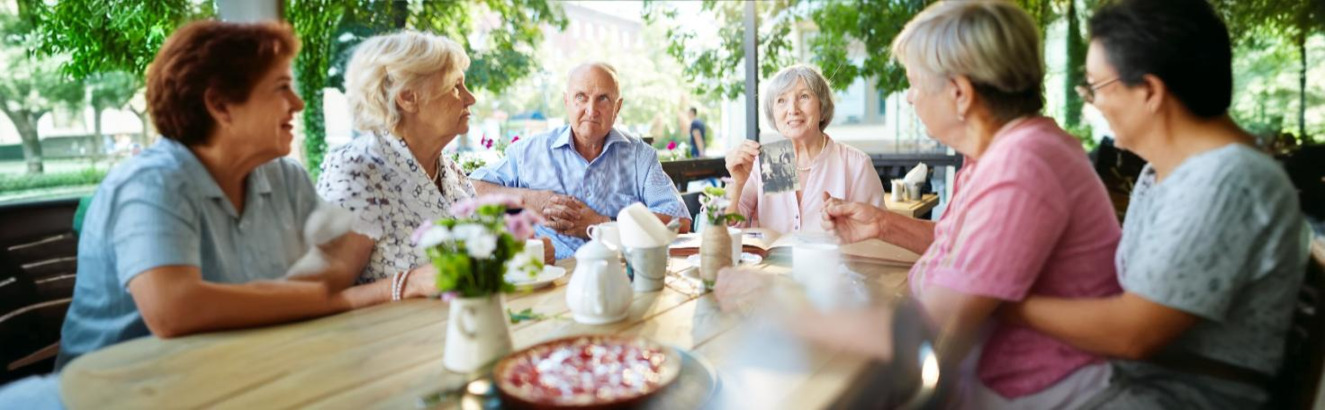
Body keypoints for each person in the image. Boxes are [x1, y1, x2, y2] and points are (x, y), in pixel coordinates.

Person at [56, 21, 437, 369]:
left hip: (230, 370)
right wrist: (313, 298)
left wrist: (381, 287)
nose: (298, 104)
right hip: (117, 387)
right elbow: (175, 311)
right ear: (220, 104)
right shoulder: (153, 182)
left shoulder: (285, 177)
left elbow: (335, 267)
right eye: (281, 88)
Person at [811, 1, 1124, 407]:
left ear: (959, 93)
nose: (909, 98)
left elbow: (932, 327)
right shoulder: (994, 156)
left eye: (915, 84)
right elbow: (959, 247)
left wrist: (775, 312)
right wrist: (882, 224)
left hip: (1040, 395)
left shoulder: (1023, 164)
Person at [1001, 0, 1310, 408]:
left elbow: (1133, 333)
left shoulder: (1230, 181)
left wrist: (999, 302)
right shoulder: (1162, 173)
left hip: (1177, 396)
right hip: (1132, 381)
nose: (1091, 101)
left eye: (1095, 86)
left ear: (1149, 91)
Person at [316, 31, 548, 283]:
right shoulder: (358, 169)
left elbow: (467, 272)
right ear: (407, 97)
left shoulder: (451, 173)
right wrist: (406, 285)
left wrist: (514, 254)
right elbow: (324, 294)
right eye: (456, 87)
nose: (471, 98)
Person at [470, 63, 689, 259]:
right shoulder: (528, 152)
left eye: (602, 98)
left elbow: (679, 221)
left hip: (621, 278)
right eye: (581, 97)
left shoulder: (639, 155)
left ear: (617, 107)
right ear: (567, 102)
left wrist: (603, 224)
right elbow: (470, 188)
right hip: (549, 281)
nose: (591, 110)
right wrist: (531, 199)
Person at [723, 64, 884, 234]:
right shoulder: (771, 162)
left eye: (804, 97)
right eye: (781, 100)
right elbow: (728, 226)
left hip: (834, 261)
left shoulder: (854, 164)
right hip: (771, 261)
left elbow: (877, 233)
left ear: (822, 108)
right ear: (773, 114)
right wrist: (737, 183)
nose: (793, 110)